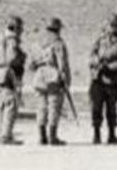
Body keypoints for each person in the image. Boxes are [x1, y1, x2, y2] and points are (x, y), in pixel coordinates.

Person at [89, 13, 117, 145]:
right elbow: (92, 54)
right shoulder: (101, 37)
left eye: (116, 25)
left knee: (111, 108)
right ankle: (96, 134)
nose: (114, 27)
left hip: (112, 80)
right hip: (97, 78)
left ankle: (112, 135)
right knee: (96, 107)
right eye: (112, 25)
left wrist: (110, 67)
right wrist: (95, 62)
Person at [29, 17, 71, 145]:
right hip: (53, 77)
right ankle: (52, 137)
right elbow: (62, 63)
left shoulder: (37, 42)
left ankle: (42, 137)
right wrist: (64, 79)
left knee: (41, 107)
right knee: (54, 106)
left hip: (39, 77)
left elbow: (31, 64)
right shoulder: (58, 43)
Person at [0, 16, 27, 145]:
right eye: (20, 28)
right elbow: (12, 58)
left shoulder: (1, 39)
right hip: (9, 74)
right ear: (16, 28)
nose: (21, 31)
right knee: (11, 104)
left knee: (2, 105)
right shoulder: (12, 40)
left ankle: (2, 133)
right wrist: (21, 58)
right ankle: (6, 135)